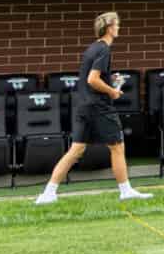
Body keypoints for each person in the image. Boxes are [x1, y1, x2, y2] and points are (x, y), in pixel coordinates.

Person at [34, 12, 150, 204]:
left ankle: (48, 193)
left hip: (84, 106)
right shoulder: (104, 49)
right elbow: (92, 80)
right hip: (99, 107)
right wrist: (112, 92)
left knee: (76, 150)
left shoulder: (92, 49)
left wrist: (110, 81)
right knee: (118, 147)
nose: (119, 28)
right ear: (109, 28)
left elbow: (93, 78)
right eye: (117, 24)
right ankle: (126, 190)